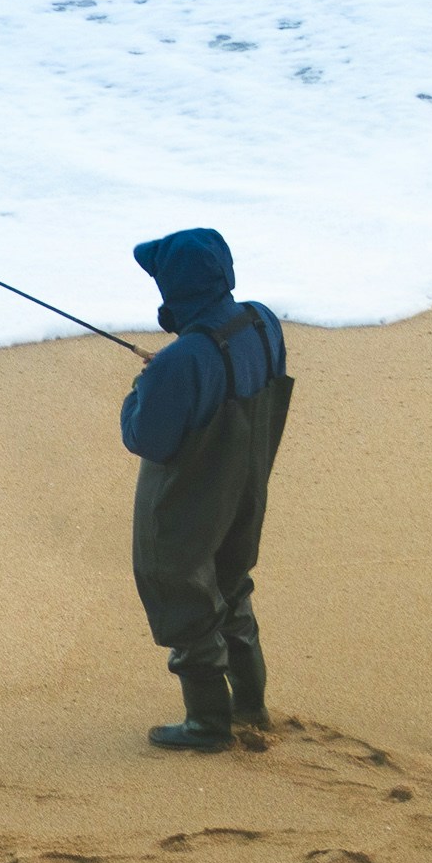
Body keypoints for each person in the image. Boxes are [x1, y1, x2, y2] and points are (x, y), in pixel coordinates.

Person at [118, 227, 292, 752]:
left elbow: (145, 436)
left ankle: (207, 724)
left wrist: (144, 387)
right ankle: (250, 704)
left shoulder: (182, 361)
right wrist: (174, 373)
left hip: (192, 497)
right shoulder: (264, 321)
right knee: (231, 580)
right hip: (247, 485)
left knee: (180, 588)